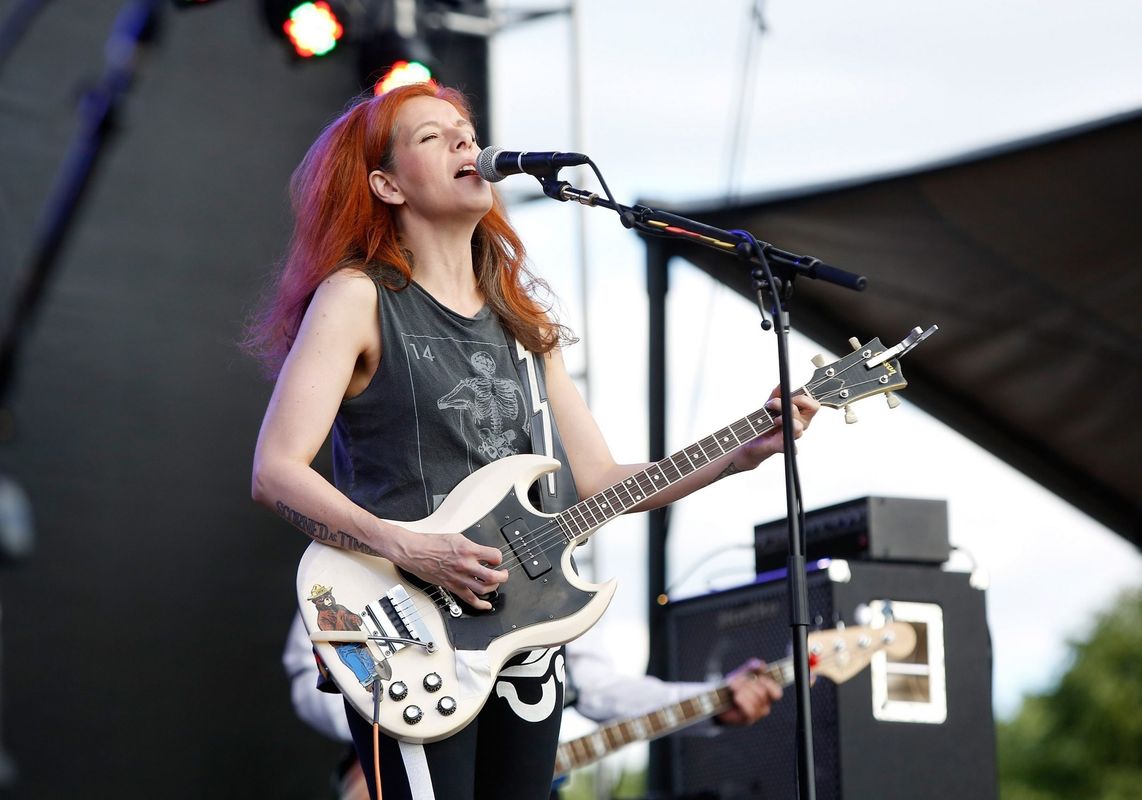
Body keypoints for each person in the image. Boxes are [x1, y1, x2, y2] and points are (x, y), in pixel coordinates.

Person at [247, 81, 817, 800]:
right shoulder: (357, 297)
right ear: (386, 184)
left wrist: (738, 454)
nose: (465, 140)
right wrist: (407, 545)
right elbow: (275, 470)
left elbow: (600, 481)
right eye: (432, 135)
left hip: (525, 641)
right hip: (409, 629)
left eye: (464, 127)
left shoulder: (524, 321)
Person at [281, 613, 783, 798]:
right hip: (411, 763)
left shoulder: (556, 568)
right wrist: (403, 721)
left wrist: (711, 703)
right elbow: (311, 678)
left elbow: (597, 686)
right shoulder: (373, 542)